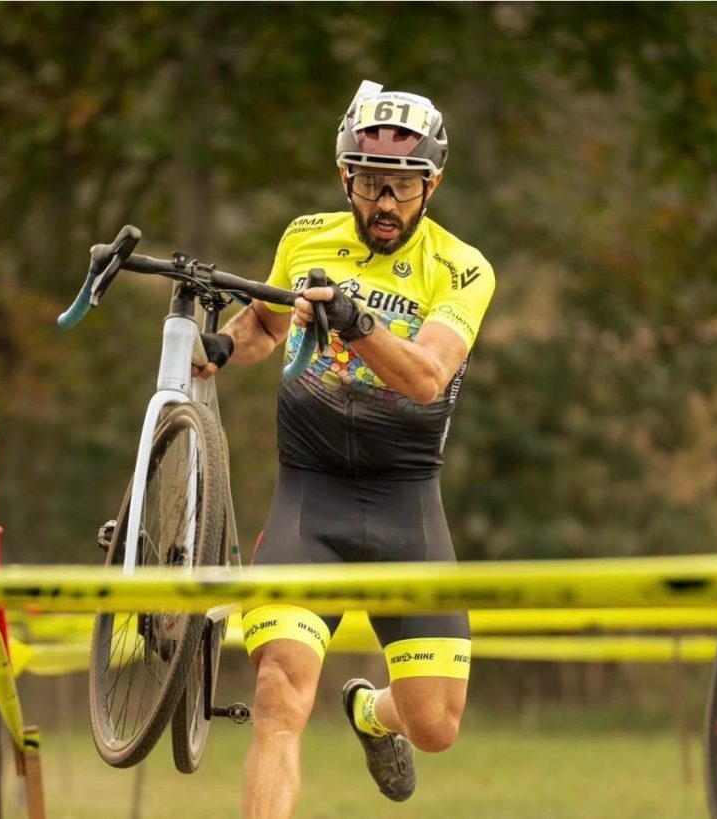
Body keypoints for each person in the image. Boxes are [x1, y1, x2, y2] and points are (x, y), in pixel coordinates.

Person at [196, 81, 495, 818]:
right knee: (277, 696)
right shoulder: (305, 238)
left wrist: (359, 325)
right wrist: (217, 346)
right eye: (368, 183)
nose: (383, 204)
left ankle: (370, 713)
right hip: (311, 500)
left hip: (406, 506)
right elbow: (264, 330)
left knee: (435, 725)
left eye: (399, 187)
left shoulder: (461, 268)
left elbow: (427, 377)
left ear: (432, 185)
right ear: (345, 177)